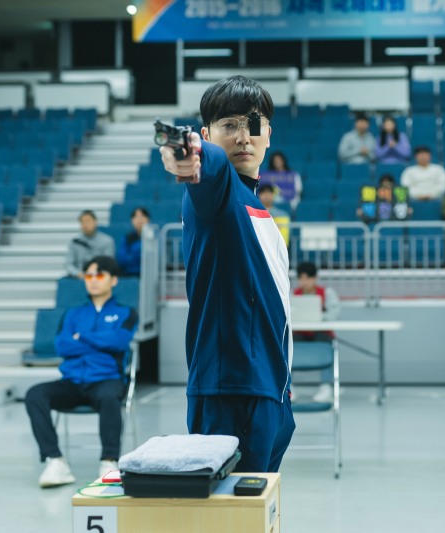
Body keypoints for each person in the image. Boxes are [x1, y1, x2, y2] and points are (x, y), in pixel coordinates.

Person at [159, 75, 295, 473]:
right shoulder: (217, 193)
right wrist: (188, 151)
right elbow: (207, 165)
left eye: (253, 125)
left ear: (268, 134)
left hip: (271, 393)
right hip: (230, 396)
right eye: (229, 125)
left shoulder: (257, 207)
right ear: (208, 133)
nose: (243, 137)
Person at [25, 256, 138, 488]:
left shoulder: (126, 313)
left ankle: (109, 461)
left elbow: (119, 340)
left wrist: (82, 337)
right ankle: (55, 461)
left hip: (107, 379)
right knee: (35, 394)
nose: (93, 281)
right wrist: (99, 342)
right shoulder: (72, 314)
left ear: (113, 280)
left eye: (99, 275)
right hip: (73, 382)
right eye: (88, 275)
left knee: (109, 397)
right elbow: (62, 345)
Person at [293, 262, 341, 403]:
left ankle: (326, 385)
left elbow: (335, 313)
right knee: (288, 346)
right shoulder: (293, 294)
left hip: (321, 333)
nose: (304, 282)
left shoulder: (327, 293)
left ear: (315, 278)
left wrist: (320, 317)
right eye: (301, 278)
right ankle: (289, 385)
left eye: (308, 278)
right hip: (300, 333)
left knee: (327, 344)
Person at [65, 210, 114, 278]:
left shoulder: (107, 241)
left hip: (100, 277)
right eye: (82, 222)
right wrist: (79, 274)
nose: (85, 224)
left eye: (88, 221)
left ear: (95, 222)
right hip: (80, 278)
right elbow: (69, 265)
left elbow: (109, 264)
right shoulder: (75, 242)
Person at [117, 207, 150, 277]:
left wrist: (132, 255)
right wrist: (139, 255)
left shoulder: (155, 237)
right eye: (136, 217)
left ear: (148, 219)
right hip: (128, 274)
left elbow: (153, 260)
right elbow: (122, 259)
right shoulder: (127, 238)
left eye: (142, 216)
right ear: (132, 221)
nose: (139, 220)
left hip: (150, 274)